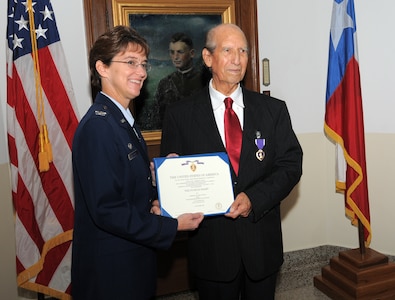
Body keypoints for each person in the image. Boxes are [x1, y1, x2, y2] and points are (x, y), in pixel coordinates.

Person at [160, 23, 303, 300]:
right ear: (207, 58)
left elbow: (290, 165)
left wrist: (253, 198)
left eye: (243, 51)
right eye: (228, 50)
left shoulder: (273, 110)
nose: (237, 59)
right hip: (212, 250)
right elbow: (173, 173)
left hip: (261, 244)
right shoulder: (180, 115)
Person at [71, 25, 203, 300]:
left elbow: (122, 184)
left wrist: (158, 179)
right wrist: (171, 225)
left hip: (131, 260)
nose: (142, 72)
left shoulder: (121, 121)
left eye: (143, 64)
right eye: (130, 62)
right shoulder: (98, 127)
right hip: (112, 273)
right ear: (102, 68)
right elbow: (107, 209)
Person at [154, 32, 210, 126]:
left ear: (191, 53)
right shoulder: (165, 83)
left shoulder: (205, 81)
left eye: (180, 52)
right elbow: (158, 117)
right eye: (172, 52)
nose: (175, 57)